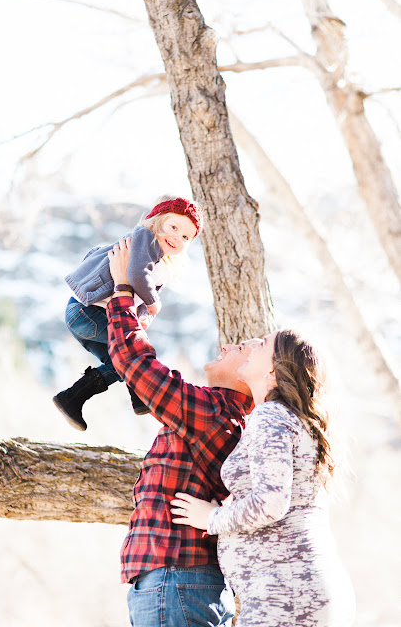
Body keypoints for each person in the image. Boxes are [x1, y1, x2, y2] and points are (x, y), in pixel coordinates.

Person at [105, 237, 258, 627]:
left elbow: (137, 365)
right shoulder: (217, 414)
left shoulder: (214, 413)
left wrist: (122, 291)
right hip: (177, 586)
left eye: (241, 348)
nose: (228, 345)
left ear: (250, 376)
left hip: (175, 584)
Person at [171, 329, 356, 627]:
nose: (251, 345)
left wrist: (212, 519)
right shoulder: (292, 419)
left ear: (272, 372)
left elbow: (271, 502)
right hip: (301, 588)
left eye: (262, 344)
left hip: (286, 593)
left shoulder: (271, 416)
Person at [53, 196, 203, 431]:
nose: (177, 237)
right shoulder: (145, 238)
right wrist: (154, 303)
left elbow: (140, 298)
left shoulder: (161, 265)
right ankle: (139, 394)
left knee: (120, 364)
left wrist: (145, 316)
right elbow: (135, 275)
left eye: (185, 237)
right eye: (173, 227)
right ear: (157, 221)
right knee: (132, 352)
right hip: (87, 312)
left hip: (88, 319)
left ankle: (72, 399)